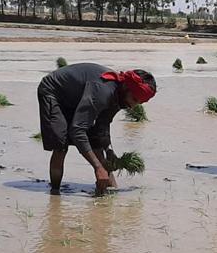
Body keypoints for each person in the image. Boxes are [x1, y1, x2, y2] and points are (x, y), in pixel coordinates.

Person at [37, 63, 156, 195]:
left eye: (139, 103)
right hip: (54, 91)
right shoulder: (103, 92)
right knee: (61, 144)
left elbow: (103, 125)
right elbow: (77, 130)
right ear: (126, 87)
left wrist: (109, 151)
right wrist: (97, 167)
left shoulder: (120, 96)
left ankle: (110, 191)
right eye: (134, 99)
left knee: (97, 142)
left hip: (78, 96)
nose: (134, 106)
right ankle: (55, 194)